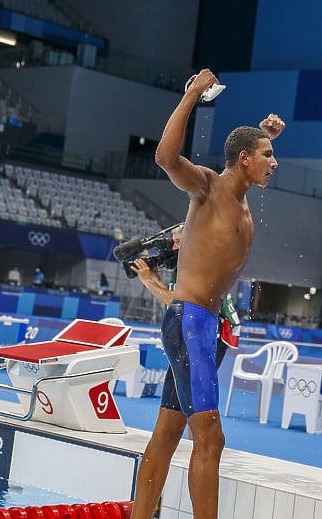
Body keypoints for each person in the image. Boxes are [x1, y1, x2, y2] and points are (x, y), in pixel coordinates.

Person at [130, 67, 284, 519]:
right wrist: (194, 94)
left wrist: (263, 133)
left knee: (167, 434)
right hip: (191, 323)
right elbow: (165, 158)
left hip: (201, 326)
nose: (274, 162)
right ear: (243, 161)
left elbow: (245, 153)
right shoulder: (209, 189)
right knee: (211, 439)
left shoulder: (236, 194)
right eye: (268, 155)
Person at [130, 222, 240, 518]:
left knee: (167, 431)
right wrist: (152, 277)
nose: (171, 248)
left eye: (177, 242)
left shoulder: (198, 255)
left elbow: (179, 300)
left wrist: (149, 280)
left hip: (200, 336)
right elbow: (183, 302)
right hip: (197, 337)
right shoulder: (199, 256)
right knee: (209, 439)